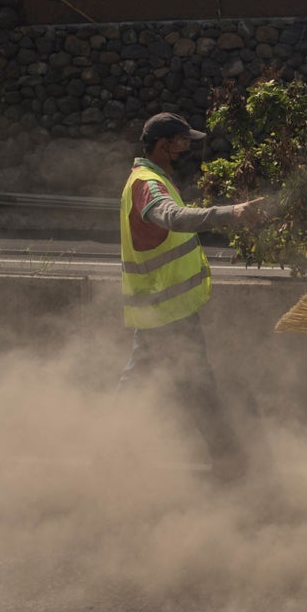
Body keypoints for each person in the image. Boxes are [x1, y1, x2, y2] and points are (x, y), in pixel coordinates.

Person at [118, 111, 262, 480]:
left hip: (158, 309)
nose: (187, 148)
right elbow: (173, 218)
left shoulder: (152, 179)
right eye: (182, 142)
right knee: (198, 385)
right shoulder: (147, 184)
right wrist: (231, 213)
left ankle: (108, 452)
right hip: (168, 311)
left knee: (137, 387)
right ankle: (231, 463)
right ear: (164, 145)